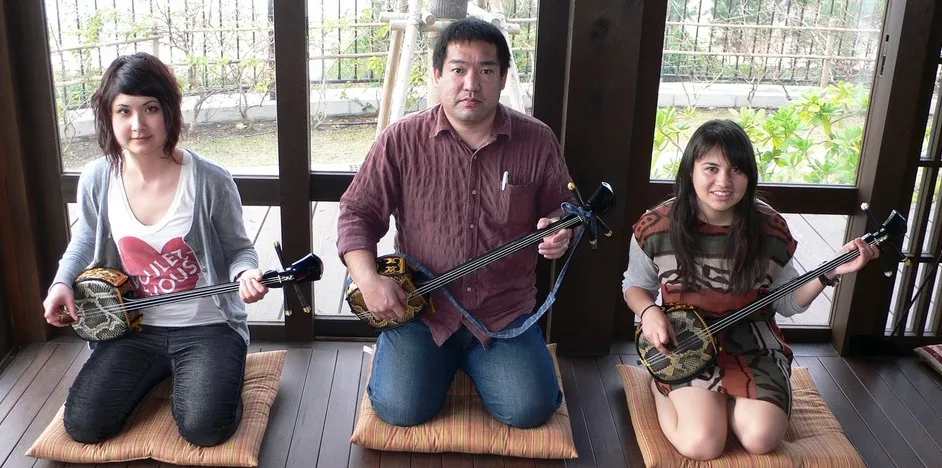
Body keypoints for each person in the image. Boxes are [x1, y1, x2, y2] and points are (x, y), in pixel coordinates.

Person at [338, 18, 574, 429]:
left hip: (504, 310)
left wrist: (559, 229)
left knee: (530, 410)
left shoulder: (537, 140)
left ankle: (478, 362)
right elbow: (357, 212)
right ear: (437, 75)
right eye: (458, 69)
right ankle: (411, 356)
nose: (471, 84)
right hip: (424, 308)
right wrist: (369, 280)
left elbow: (563, 208)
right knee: (400, 409)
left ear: (502, 78)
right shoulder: (401, 140)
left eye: (485, 70)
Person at [41, 52, 269, 447]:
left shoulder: (210, 180)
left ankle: (209, 373)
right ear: (108, 118)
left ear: (169, 113)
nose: (137, 124)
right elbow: (85, 238)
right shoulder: (98, 177)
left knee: (205, 429)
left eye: (150, 108)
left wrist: (245, 274)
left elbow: (239, 250)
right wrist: (61, 282)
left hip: (207, 328)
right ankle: (166, 371)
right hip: (133, 329)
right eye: (123, 110)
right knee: (83, 426)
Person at [621, 119, 879, 460]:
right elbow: (635, 286)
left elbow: (787, 302)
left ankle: (722, 402)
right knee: (703, 444)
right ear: (690, 171)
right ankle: (659, 388)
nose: (723, 182)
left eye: (736, 169)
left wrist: (830, 273)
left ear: (750, 176)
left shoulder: (769, 227)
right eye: (711, 168)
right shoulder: (657, 224)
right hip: (687, 341)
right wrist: (650, 310)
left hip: (753, 341)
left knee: (760, 438)